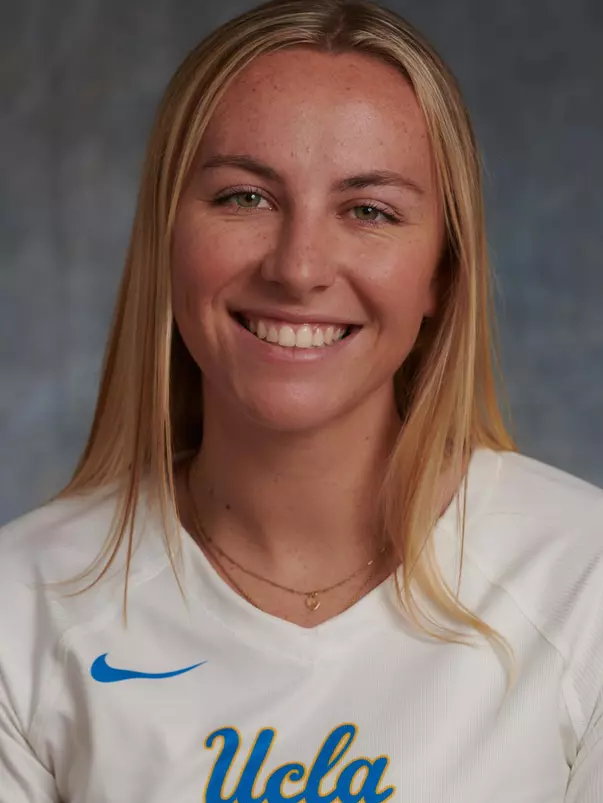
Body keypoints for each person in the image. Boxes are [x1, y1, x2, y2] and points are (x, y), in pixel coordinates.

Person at [1, 0, 602, 800]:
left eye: (368, 210)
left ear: (441, 275)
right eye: (245, 197)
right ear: (166, 239)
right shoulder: (23, 605)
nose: (298, 266)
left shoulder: (582, 581)